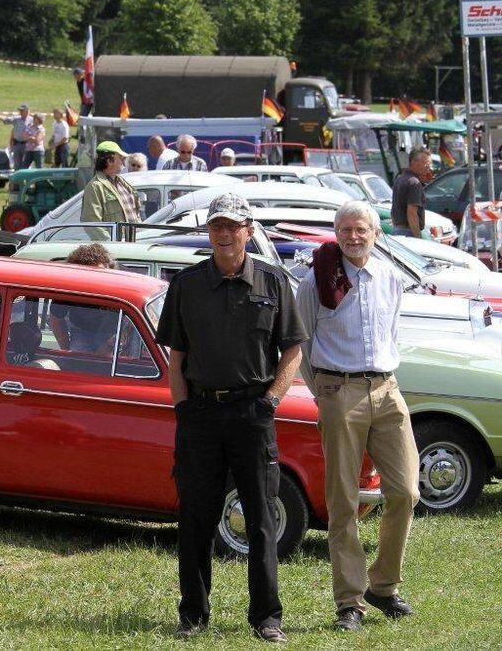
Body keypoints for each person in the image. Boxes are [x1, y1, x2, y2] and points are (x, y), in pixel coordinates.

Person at [155, 192, 307, 643]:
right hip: (200, 413)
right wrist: (182, 409)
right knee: (196, 516)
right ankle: (193, 615)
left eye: (232, 226)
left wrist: (271, 401)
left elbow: (293, 350)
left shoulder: (273, 282)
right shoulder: (187, 284)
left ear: (248, 229)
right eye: (217, 225)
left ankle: (266, 617)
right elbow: (176, 355)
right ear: (209, 230)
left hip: (252, 413)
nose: (224, 233)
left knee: (260, 518)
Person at [295, 201, 420, 633]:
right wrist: (324, 391)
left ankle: (382, 586)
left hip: (387, 389)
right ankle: (350, 601)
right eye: (345, 229)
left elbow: (392, 333)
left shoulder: (390, 277)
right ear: (336, 232)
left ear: (376, 233)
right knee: (343, 502)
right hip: (338, 391)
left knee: (406, 491)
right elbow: (301, 342)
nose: (353, 236)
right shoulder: (316, 279)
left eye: (361, 228)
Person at [49, 244, 119, 353]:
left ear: (108, 268)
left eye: (97, 274)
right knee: (78, 364)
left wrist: (114, 340)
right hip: (81, 330)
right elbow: (56, 319)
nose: (93, 280)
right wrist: (66, 349)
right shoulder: (70, 287)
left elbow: (131, 320)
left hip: (112, 331)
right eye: (87, 275)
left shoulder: (120, 282)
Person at [80, 141, 142, 234]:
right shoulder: (95, 187)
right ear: (109, 161)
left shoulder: (122, 182)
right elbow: (92, 224)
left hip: (134, 244)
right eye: (121, 159)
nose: (124, 164)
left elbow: (135, 215)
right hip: (117, 247)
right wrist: (111, 245)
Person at [391, 148, 431, 237]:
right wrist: (417, 237)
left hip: (397, 230)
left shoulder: (399, 179)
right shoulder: (414, 183)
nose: (428, 167)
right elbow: (412, 213)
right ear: (414, 163)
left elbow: (394, 209)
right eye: (426, 163)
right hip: (408, 232)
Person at [0, 104, 31, 170]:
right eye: (20, 110)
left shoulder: (32, 120)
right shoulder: (16, 119)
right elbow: (6, 119)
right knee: (17, 165)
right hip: (17, 144)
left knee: (26, 164)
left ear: (27, 111)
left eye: (22, 110)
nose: (20, 112)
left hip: (27, 145)